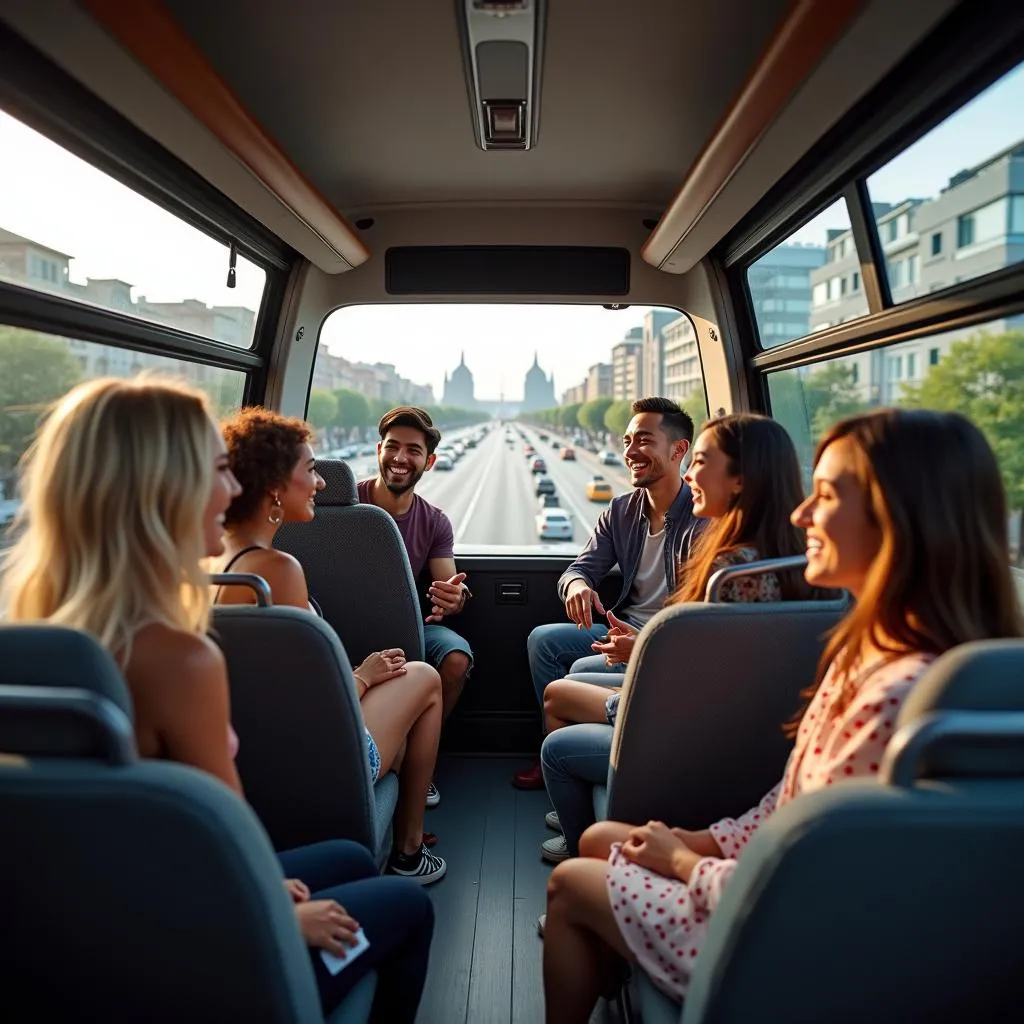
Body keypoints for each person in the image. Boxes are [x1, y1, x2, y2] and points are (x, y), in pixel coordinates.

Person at [541, 408, 1024, 1022]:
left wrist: (687, 862)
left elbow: (810, 880)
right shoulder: (876, 653)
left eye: (824, 496)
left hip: (774, 938)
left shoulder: (893, 695)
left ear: (898, 518)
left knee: (569, 883)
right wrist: (703, 839)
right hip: (772, 886)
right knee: (603, 838)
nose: (800, 514)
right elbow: (794, 803)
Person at [1, 377, 435, 1022]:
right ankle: (409, 851)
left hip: (84, 934)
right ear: (160, 490)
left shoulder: (34, 629)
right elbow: (218, 848)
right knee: (408, 908)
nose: (233, 490)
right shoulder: (177, 656)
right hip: (201, 954)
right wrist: (284, 914)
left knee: (346, 857)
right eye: (217, 472)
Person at [539, 414, 814, 863]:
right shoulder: (770, 558)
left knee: (557, 742)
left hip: (689, 727)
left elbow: (704, 682)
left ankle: (586, 855)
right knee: (561, 674)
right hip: (703, 710)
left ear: (741, 480)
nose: (689, 476)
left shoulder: (732, 573)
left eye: (701, 461)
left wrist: (641, 657)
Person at [215, 406, 446, 882]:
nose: (320, 483)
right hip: (316, 752)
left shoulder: (218, 555)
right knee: (424, 676)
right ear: (276, 485)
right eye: (311, 470)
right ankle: (407, 850)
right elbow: (319, 700)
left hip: (256, 746)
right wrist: (364, 674)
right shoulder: (278, 570)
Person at [514, 396, 702, 790]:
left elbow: (703, 620)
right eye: (628, 440)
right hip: (622, 629)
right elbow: (579, 569)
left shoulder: (702, 521)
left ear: (679, 449)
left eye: (644, 440)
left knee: (578, 672)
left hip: (666, 641)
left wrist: (647, 643)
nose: (631, 451)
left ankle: (575, 761)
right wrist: (578, 586)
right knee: (543, 641)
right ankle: (550, 750)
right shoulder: (620, 511)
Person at [357, 405, 474, 807]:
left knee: (457, 656)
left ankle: (418, 762)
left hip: (410, 627)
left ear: (430, 461)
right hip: (340, 623)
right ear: (378, 450)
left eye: (413, 450)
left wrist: (453, 598)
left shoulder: (435, 521)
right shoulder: (338, 505)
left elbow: (448, 587)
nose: (400, 459)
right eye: (393, 447)